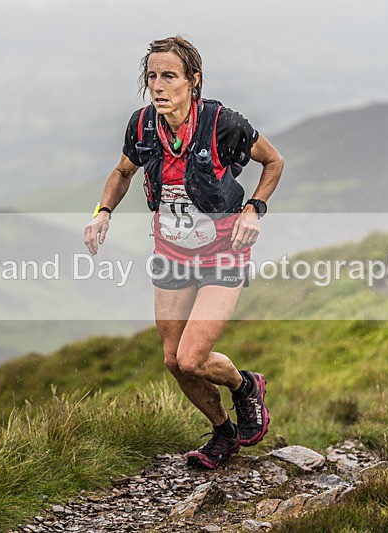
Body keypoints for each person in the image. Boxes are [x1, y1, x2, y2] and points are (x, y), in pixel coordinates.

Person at [84, 36, 283, 468]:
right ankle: (223, 433)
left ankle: (245, 386)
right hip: (171, 251)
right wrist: (103, 211)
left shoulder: (223, 124)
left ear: (193, 81)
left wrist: (254, 209)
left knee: (194, 357)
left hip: (223, 250)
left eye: (169, 76)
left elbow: (274, 162)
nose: (158, 85)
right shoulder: (142, 127)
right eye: (152, 76)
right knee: (174, 360)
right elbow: (122, 171)